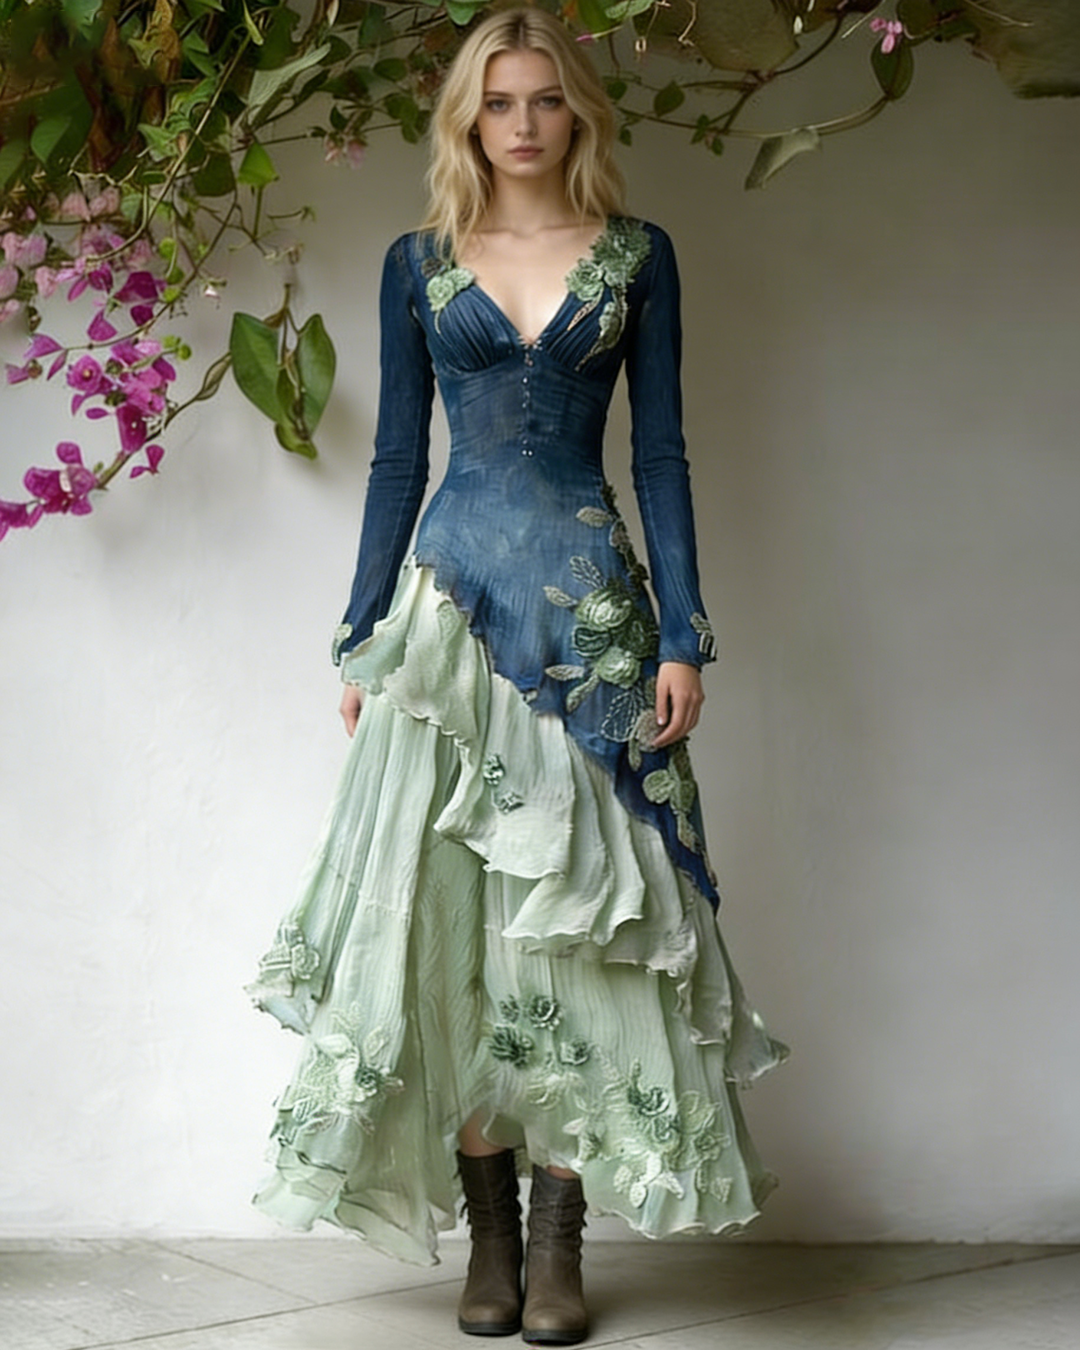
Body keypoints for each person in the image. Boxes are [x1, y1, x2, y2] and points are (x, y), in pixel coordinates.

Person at [247, 7, 786, 1344]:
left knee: (577, 929)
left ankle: (557, 1251)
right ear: (469, 120)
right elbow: (396, 460)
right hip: (446, 621)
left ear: (578, 111)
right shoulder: (420, 262)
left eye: (546, 98)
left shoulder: (637, 256)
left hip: (592, 620)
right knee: (450, 918)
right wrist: (360, 634)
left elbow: (660, 454)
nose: (525, 122)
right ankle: (488, 1246)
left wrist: (683, 633)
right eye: (500, 102)